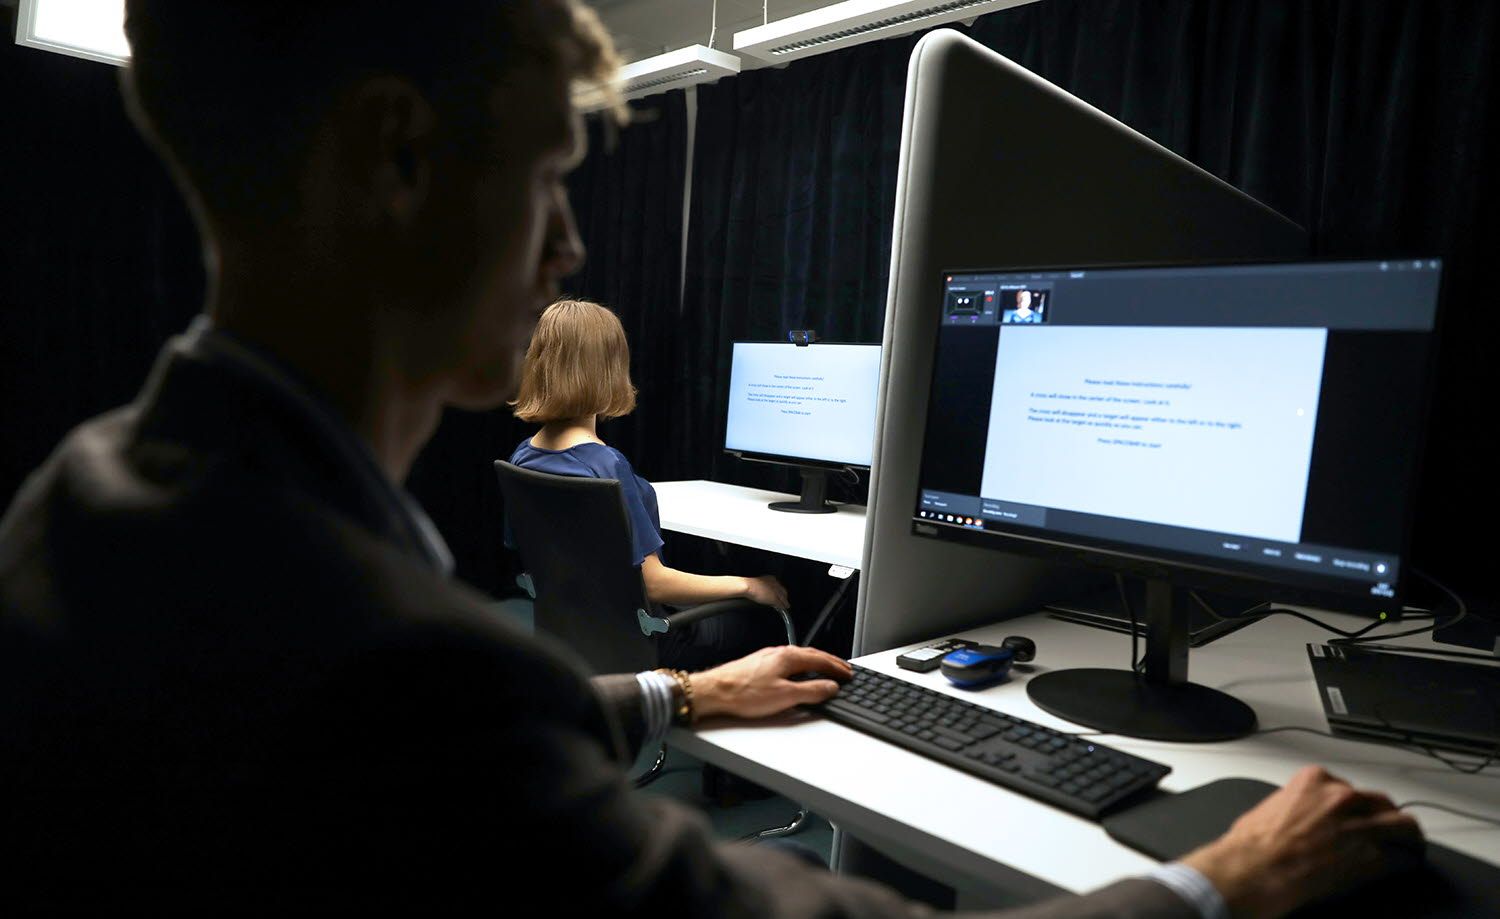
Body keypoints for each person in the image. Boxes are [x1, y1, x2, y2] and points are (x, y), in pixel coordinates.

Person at [0, 1, 1421, 914]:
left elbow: (438, 748)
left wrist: (676, 691)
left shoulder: (88, 497)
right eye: (552, 177)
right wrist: (1215, 883)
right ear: (399, 160)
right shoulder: (382, 661)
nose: (566, 246)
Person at [509, 298, 788, 670]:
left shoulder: (522, 458)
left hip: (575, 634)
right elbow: (653, 584)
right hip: (647, 642)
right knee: (760, 619)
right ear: (609, 368)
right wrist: (749, 585)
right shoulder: (607, 466)